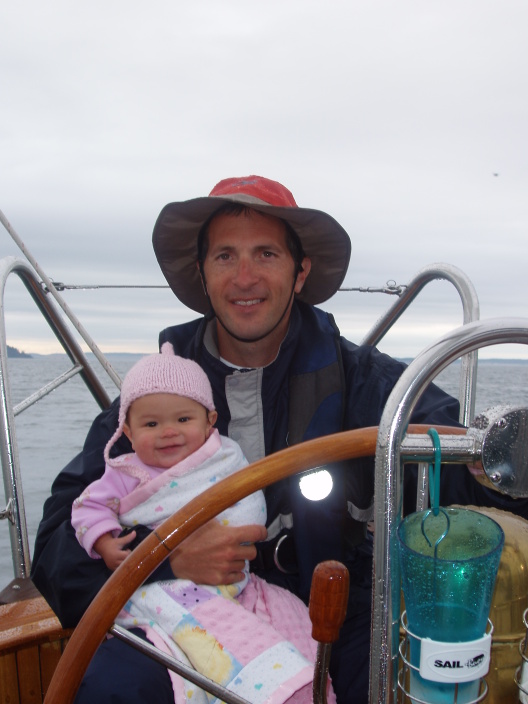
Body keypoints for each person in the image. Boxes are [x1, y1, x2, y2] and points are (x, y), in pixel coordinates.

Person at [31, 175, 520, 704]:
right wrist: (167, 558)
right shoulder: (153, 402)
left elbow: (475, 468)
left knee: (387, 687)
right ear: (202, 273)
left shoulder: (369, 385)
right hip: (182, 610)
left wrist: (502, 457)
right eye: (225, 256)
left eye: (266, 254)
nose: (245, 277)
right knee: (113, 689)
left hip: (338, 612)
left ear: (300, 271)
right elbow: (56, 549)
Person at [71, 342, 324, 704]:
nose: (168, 432)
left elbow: (248, 506)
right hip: (158, 589)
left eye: (183, 420)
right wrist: (103, 542)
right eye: (151, 424)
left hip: (232, 579)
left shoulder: (224, 458)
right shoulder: (125, 472)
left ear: (210, 422)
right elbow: (87, 508)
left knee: (295, 621)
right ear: (128, 432)